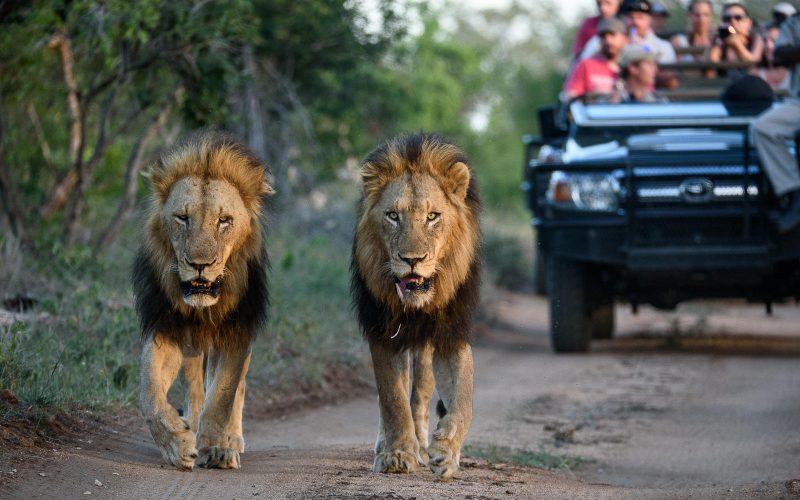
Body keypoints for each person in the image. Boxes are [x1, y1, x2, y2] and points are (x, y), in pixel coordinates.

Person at [752, 13, 800, 233]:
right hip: (798, 102)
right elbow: (779, 54)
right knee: (763, 127)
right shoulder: (795, 21)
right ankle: (794, 191)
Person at [580, 0, 676, 64]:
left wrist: (643, 47)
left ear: (649, 20)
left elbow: (670, 81)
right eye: (631, 17)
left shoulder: (663, 46)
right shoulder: (601, 40)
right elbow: (583, 64)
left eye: (640, 17)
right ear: (622, 18)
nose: (635, 22)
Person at [564, 17, 629, 100]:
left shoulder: (632, 69)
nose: (607, 40)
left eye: (612, 35)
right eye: (603, 37)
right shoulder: (586, 66)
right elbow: (571, 97)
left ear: (625, 39)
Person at [707, 2, 764, 78]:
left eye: (738, 18)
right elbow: (709, 73)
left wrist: (737, 45)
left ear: (749, 23)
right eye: (727, 19)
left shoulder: (755, 39)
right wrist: (712, 44)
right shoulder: (721, 42)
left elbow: (754, 63)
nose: (733, 22)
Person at [760, 21, 791, 92]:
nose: (768, 45)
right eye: (764, 41)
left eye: (774, 41)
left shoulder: (795, 73)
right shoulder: (754, 73)